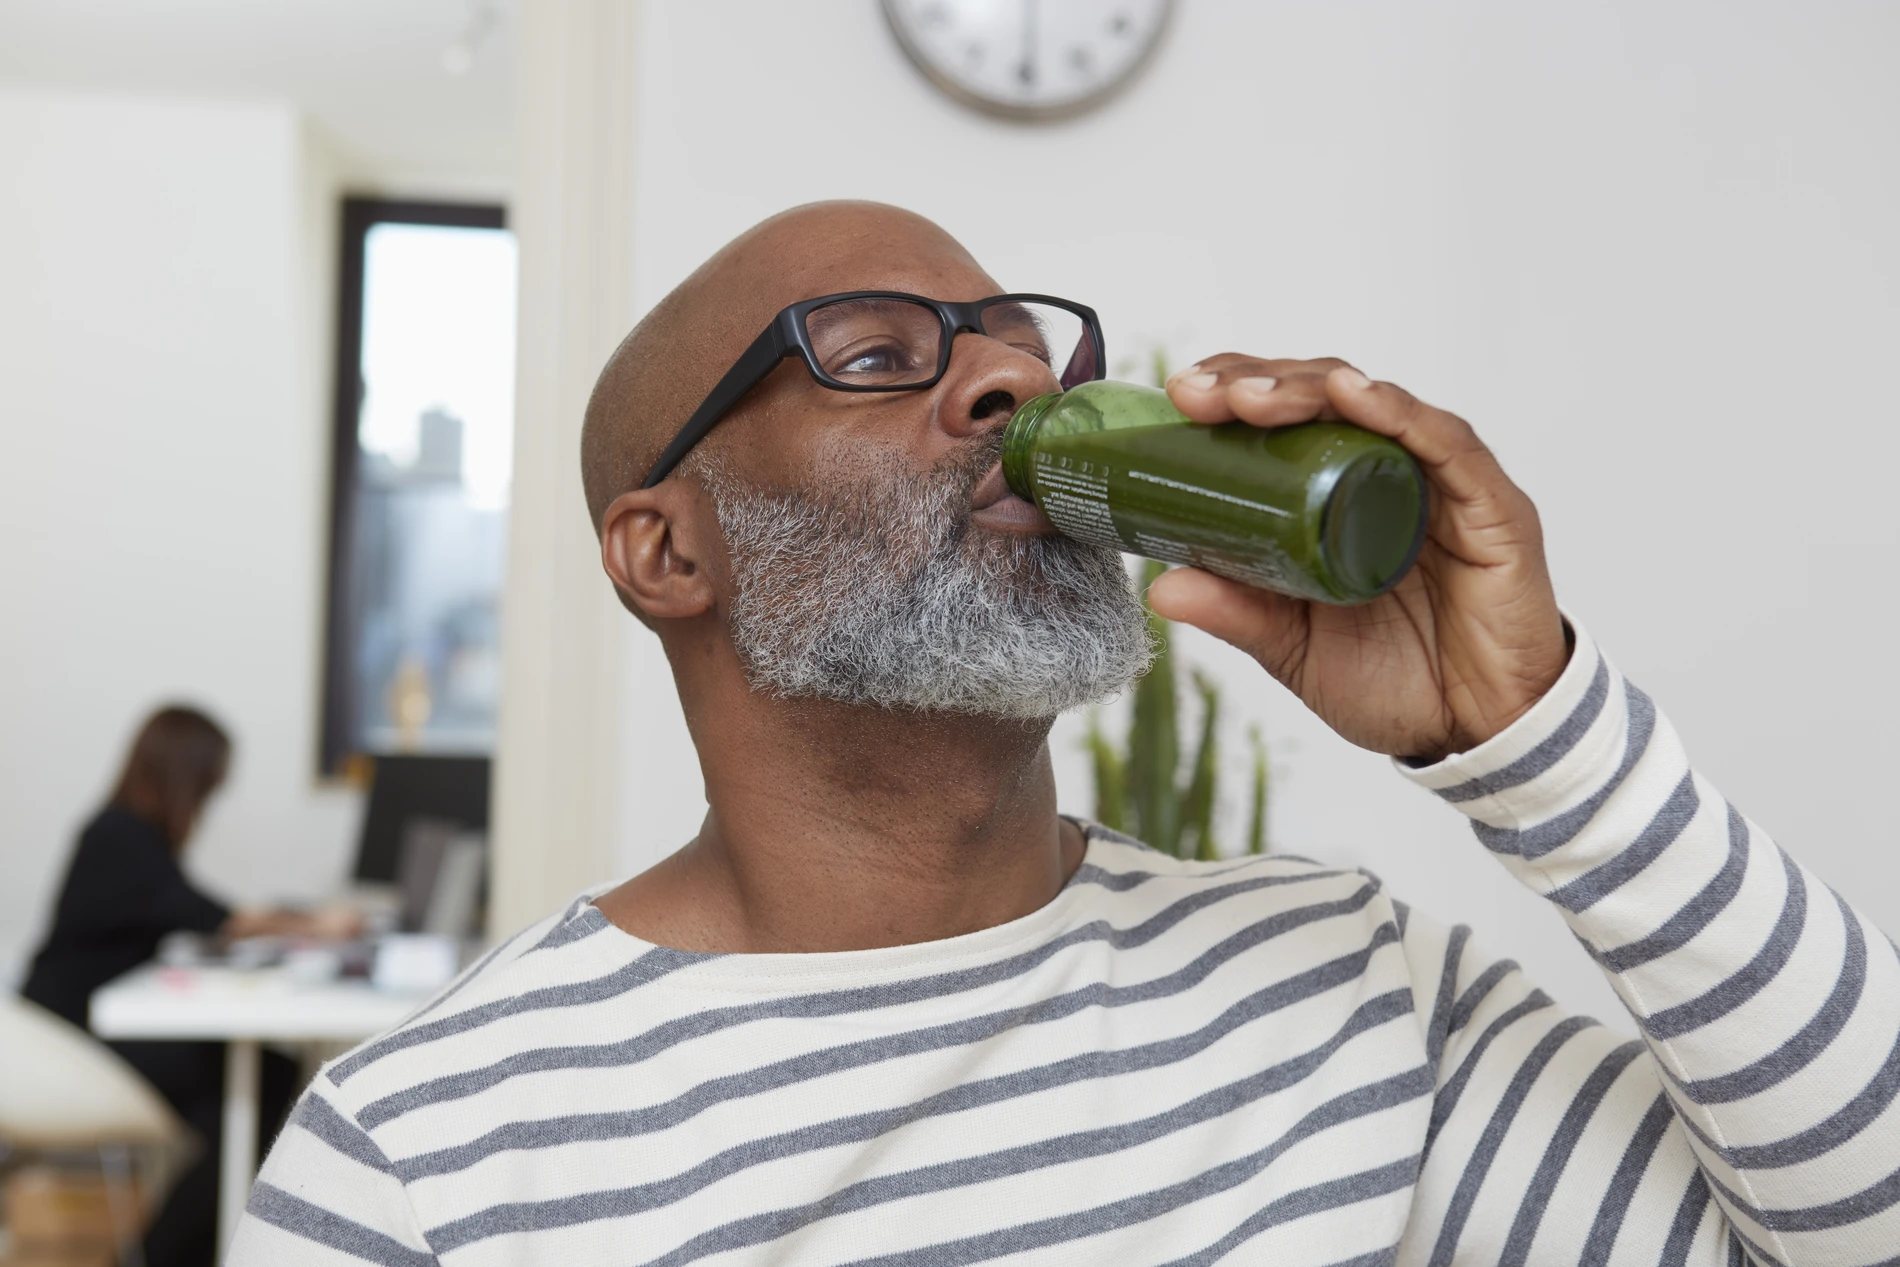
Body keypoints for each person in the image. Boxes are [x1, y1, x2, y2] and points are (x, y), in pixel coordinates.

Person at [235, 203, 1899, 1265]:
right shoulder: (435, 1151)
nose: (1006, 389)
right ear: (667, 550)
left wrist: (1539, 731)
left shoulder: (1342, 985)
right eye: (875, 354)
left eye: (1025, 357)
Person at [22, 705, 361, 1267]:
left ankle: (185, 1250)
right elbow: (217, 917)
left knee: (265, 1079)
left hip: (98, 1023)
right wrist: (317, 926)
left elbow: (195, 915)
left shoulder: (135, 836)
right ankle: (162, 1256)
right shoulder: (118, 836)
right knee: (261, 1085)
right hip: (73, 1036)